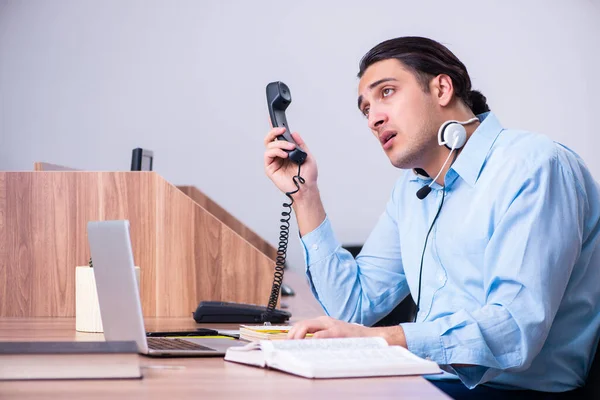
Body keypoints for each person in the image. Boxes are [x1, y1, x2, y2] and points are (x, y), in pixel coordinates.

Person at [262, 36, 600, 398]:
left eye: (387, 92)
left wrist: (384, 339)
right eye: (365, 109)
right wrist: (305, 195)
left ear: (441, 88)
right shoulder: (413, 190)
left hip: (519, 392)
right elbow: (352, 306)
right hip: (432, 381)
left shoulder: (532, 166)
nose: (374, 118)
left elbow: (515, 328)